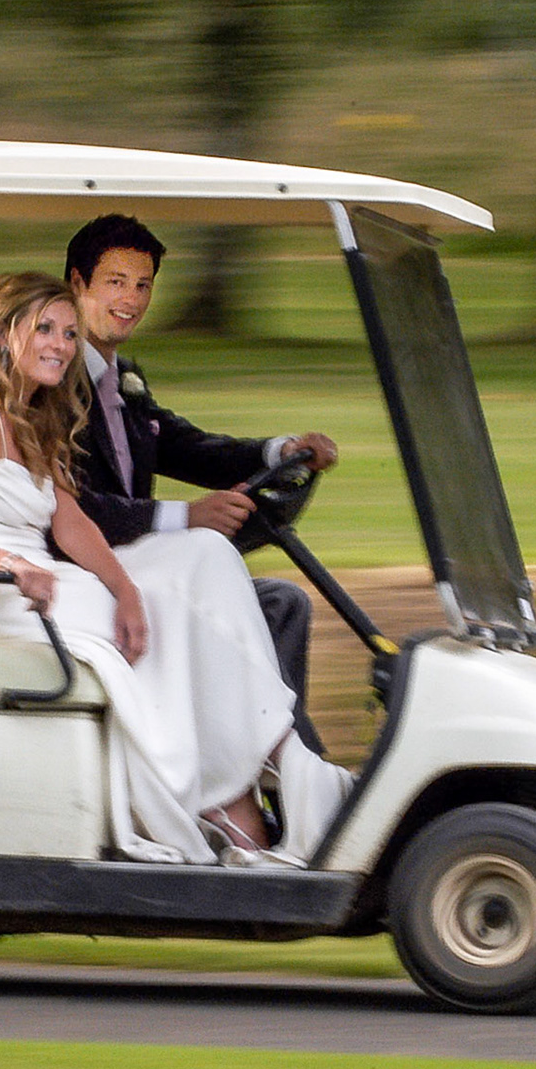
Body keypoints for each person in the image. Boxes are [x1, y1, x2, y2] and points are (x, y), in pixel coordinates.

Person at [0, 272, 352, 867]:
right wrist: (10, 564)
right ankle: (219, 797)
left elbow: (70, 521)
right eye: (44, 329)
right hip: (2, 593)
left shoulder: (32, 414)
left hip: (42, 580)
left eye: (69, 333)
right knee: (171, 625)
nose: (61, 345)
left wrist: (124, 590)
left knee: (202, 554)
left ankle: (263, 759)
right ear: (1, 335)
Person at [64, 214, 337, 753]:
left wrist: (277, 452)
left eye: (143, 285)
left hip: (139, 563)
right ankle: (281, 760)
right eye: (116, 282)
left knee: (283, 603)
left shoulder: (120, 378)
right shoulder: (52, 382)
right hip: (92, 576)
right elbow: (73, 508)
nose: (132, 300)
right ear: (78, 283)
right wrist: (185, 517)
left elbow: (182, 446)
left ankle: (273, 758)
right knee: (234, 580)